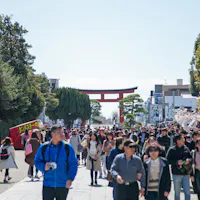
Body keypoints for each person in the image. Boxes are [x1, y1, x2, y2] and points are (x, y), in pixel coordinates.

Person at [34, 125, 78, 200]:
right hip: (48, 184)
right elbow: (37, 161)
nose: (62, 134)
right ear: (52, 134)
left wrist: (70, 179)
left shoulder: (68, 147)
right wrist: (43, 166)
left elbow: (73, 164)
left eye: (62, 132)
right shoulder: (44, 147)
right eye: (59, 132)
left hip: (63, 184)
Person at [167, 134, 192, 200]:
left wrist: (188, 160)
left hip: (186, 173)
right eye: (182, 139)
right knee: (177, 192)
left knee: (187, 192)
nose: (184, 140)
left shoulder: (186, 148)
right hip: (176, 173)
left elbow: (191, 158)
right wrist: (176, 162)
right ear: (177, 141)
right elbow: (168, 160)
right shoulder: (172, 149)